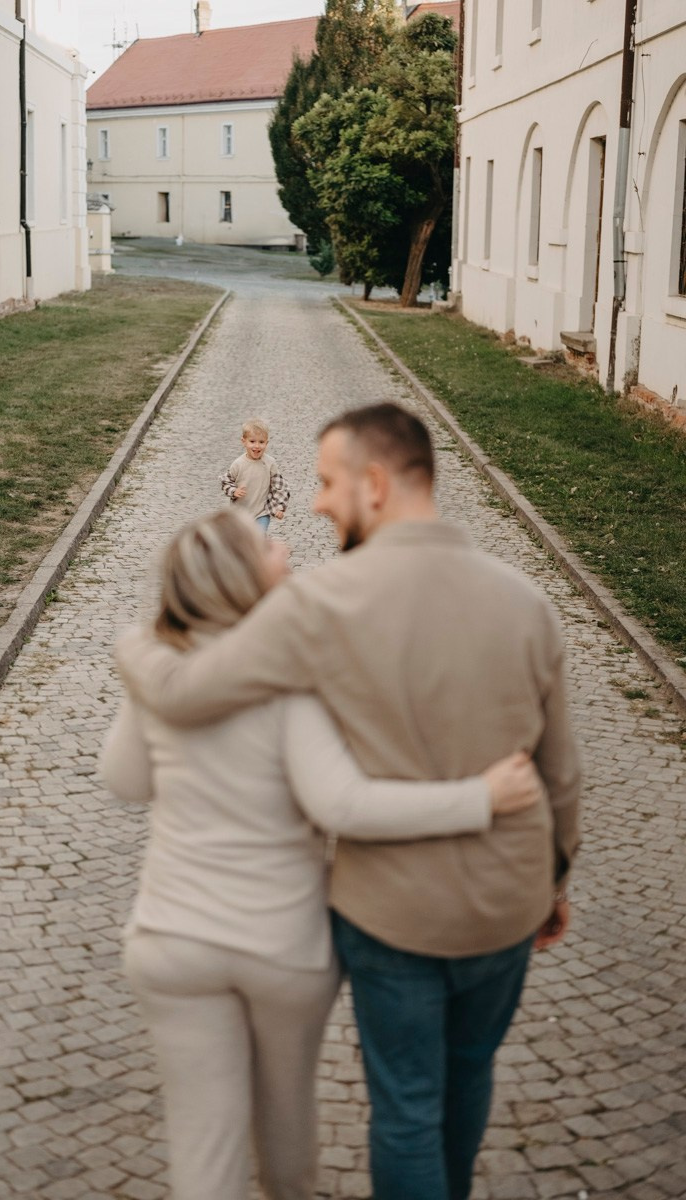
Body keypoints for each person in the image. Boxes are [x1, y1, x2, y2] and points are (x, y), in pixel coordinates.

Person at [116, 403, 582, 1200]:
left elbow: (188, 691)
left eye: (330, 483)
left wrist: (136, 641)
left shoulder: (319, 602)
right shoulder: (527, 603)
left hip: (388, 908)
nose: (321, 503)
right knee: (468, 1084)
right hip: (508, 897)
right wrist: (555, 877)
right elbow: (562, 772)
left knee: (405, 1107)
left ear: (375, 483)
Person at [220, 417, 290, 534]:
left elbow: (279, 487)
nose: (257, 446)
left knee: (258, 537)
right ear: (244, 441)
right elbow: (226, 481)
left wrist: (280, 507)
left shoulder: (270, 463)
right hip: (240, 513)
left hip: (261, 512)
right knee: (243, 541)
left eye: (261, 442)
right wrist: (234, 491)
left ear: (266, 443)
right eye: (252, 441)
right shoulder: (238, 464)